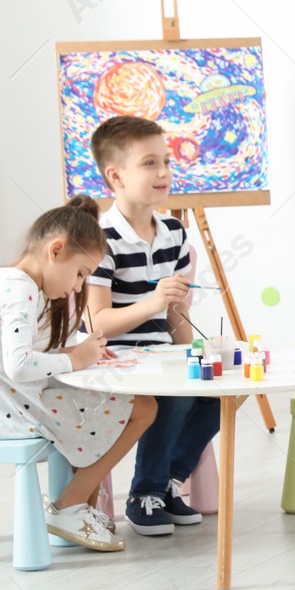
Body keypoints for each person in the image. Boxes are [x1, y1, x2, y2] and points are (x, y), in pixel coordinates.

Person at [0, 197, 157, 551]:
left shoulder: (6, 280)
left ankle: (77, 507)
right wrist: (73, 360)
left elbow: (11, 358)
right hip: (1, 412)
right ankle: (68, 506)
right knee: (145, 407)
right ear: (56, 250)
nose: (77, 288)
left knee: (127, 403)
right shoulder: (21, 290)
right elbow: (18, 366)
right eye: (79, 274)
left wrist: (73, 354)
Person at [84, 115, 216, 536]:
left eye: (166, 161)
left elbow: (175, 315)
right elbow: (98, 322)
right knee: (172, 390)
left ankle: (166, 483)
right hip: (115, 356)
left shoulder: (174, 233)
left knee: (215, 392)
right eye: (149, 164)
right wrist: (153, 302)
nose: (163, 173)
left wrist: (195, 353)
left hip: (159, 353)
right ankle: (145, 494)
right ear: (115, 176)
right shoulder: (100, 237)